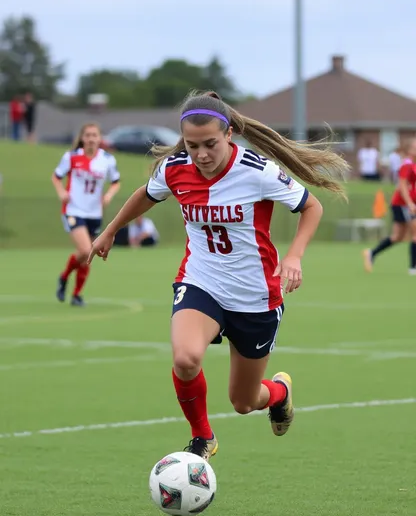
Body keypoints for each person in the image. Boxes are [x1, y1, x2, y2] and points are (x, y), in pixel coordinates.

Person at [88, 91, 349, 461]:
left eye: (210, 144)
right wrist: (111, 229)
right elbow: (147, 194)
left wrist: (294, 255)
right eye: (193, 146)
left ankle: (279, 393)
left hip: (255, 296)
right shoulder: (174, 168)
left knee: (244, 401)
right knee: (185, 358)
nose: (202, 155)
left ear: (228, 135)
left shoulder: (257, 172)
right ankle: (202, 438)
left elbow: (311, 206)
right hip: (201, 282)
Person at [52, 123, 121, 306]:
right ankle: (64, 277)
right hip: (73, 210)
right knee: (85, 250)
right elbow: (56, 177)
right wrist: (61, 192)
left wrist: (108, 195)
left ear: (100, 138)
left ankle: (76, 294)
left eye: (94, 135)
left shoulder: (107, 159)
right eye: (88, 135)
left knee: (87, 256)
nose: (91, 139)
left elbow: (116, 182)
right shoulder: (72, 157)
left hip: (94, 213)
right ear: (82, 138)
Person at [363, 137, 416, 275]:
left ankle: (371, 253)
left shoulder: (413, 164)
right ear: (410, 149)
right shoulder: (407, 164)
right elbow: (402, 185)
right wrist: (410, 203)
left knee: (398, 237)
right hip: (403, 204)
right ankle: (413, 268)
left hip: (405, 204)